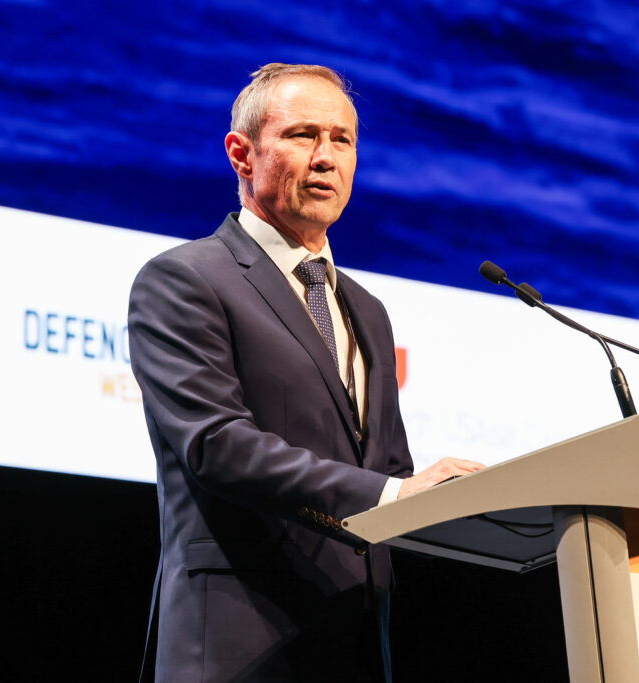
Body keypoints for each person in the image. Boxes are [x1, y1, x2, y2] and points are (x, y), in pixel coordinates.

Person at [128, 63, 483, 683]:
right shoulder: (185, 280)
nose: (326, 157)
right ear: (241, 154)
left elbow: (387, 470)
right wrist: (392, 494)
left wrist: (469, 502)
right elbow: (217, 445)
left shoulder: (367, 311)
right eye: (302, 135)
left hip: (356, 643)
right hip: (241, 642)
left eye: (342, 140)